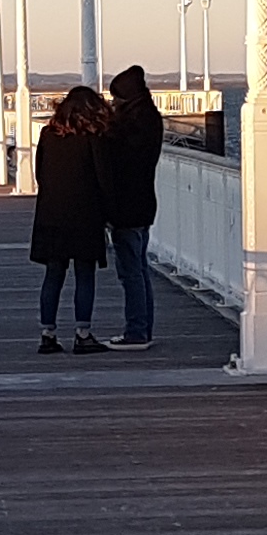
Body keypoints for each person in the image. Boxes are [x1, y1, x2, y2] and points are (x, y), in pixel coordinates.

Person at [31, 81, 113, 351]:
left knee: (54, 274)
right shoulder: (92, 138)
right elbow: (103, 178)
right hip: (85, 216)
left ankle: (48, 335)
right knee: (84, 274)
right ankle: (82, 333)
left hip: (51, 215)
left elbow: (39, 173)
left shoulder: (47, 134)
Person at [99, 63, 165, 349]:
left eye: (116, 99)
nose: (114, 104)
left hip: (126, 207)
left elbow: (117, 161)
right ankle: (143, 328)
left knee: (130, 273)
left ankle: (136, 331)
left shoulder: (129, 127)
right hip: (144, 204)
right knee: (140, 269)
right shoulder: (150, 119)